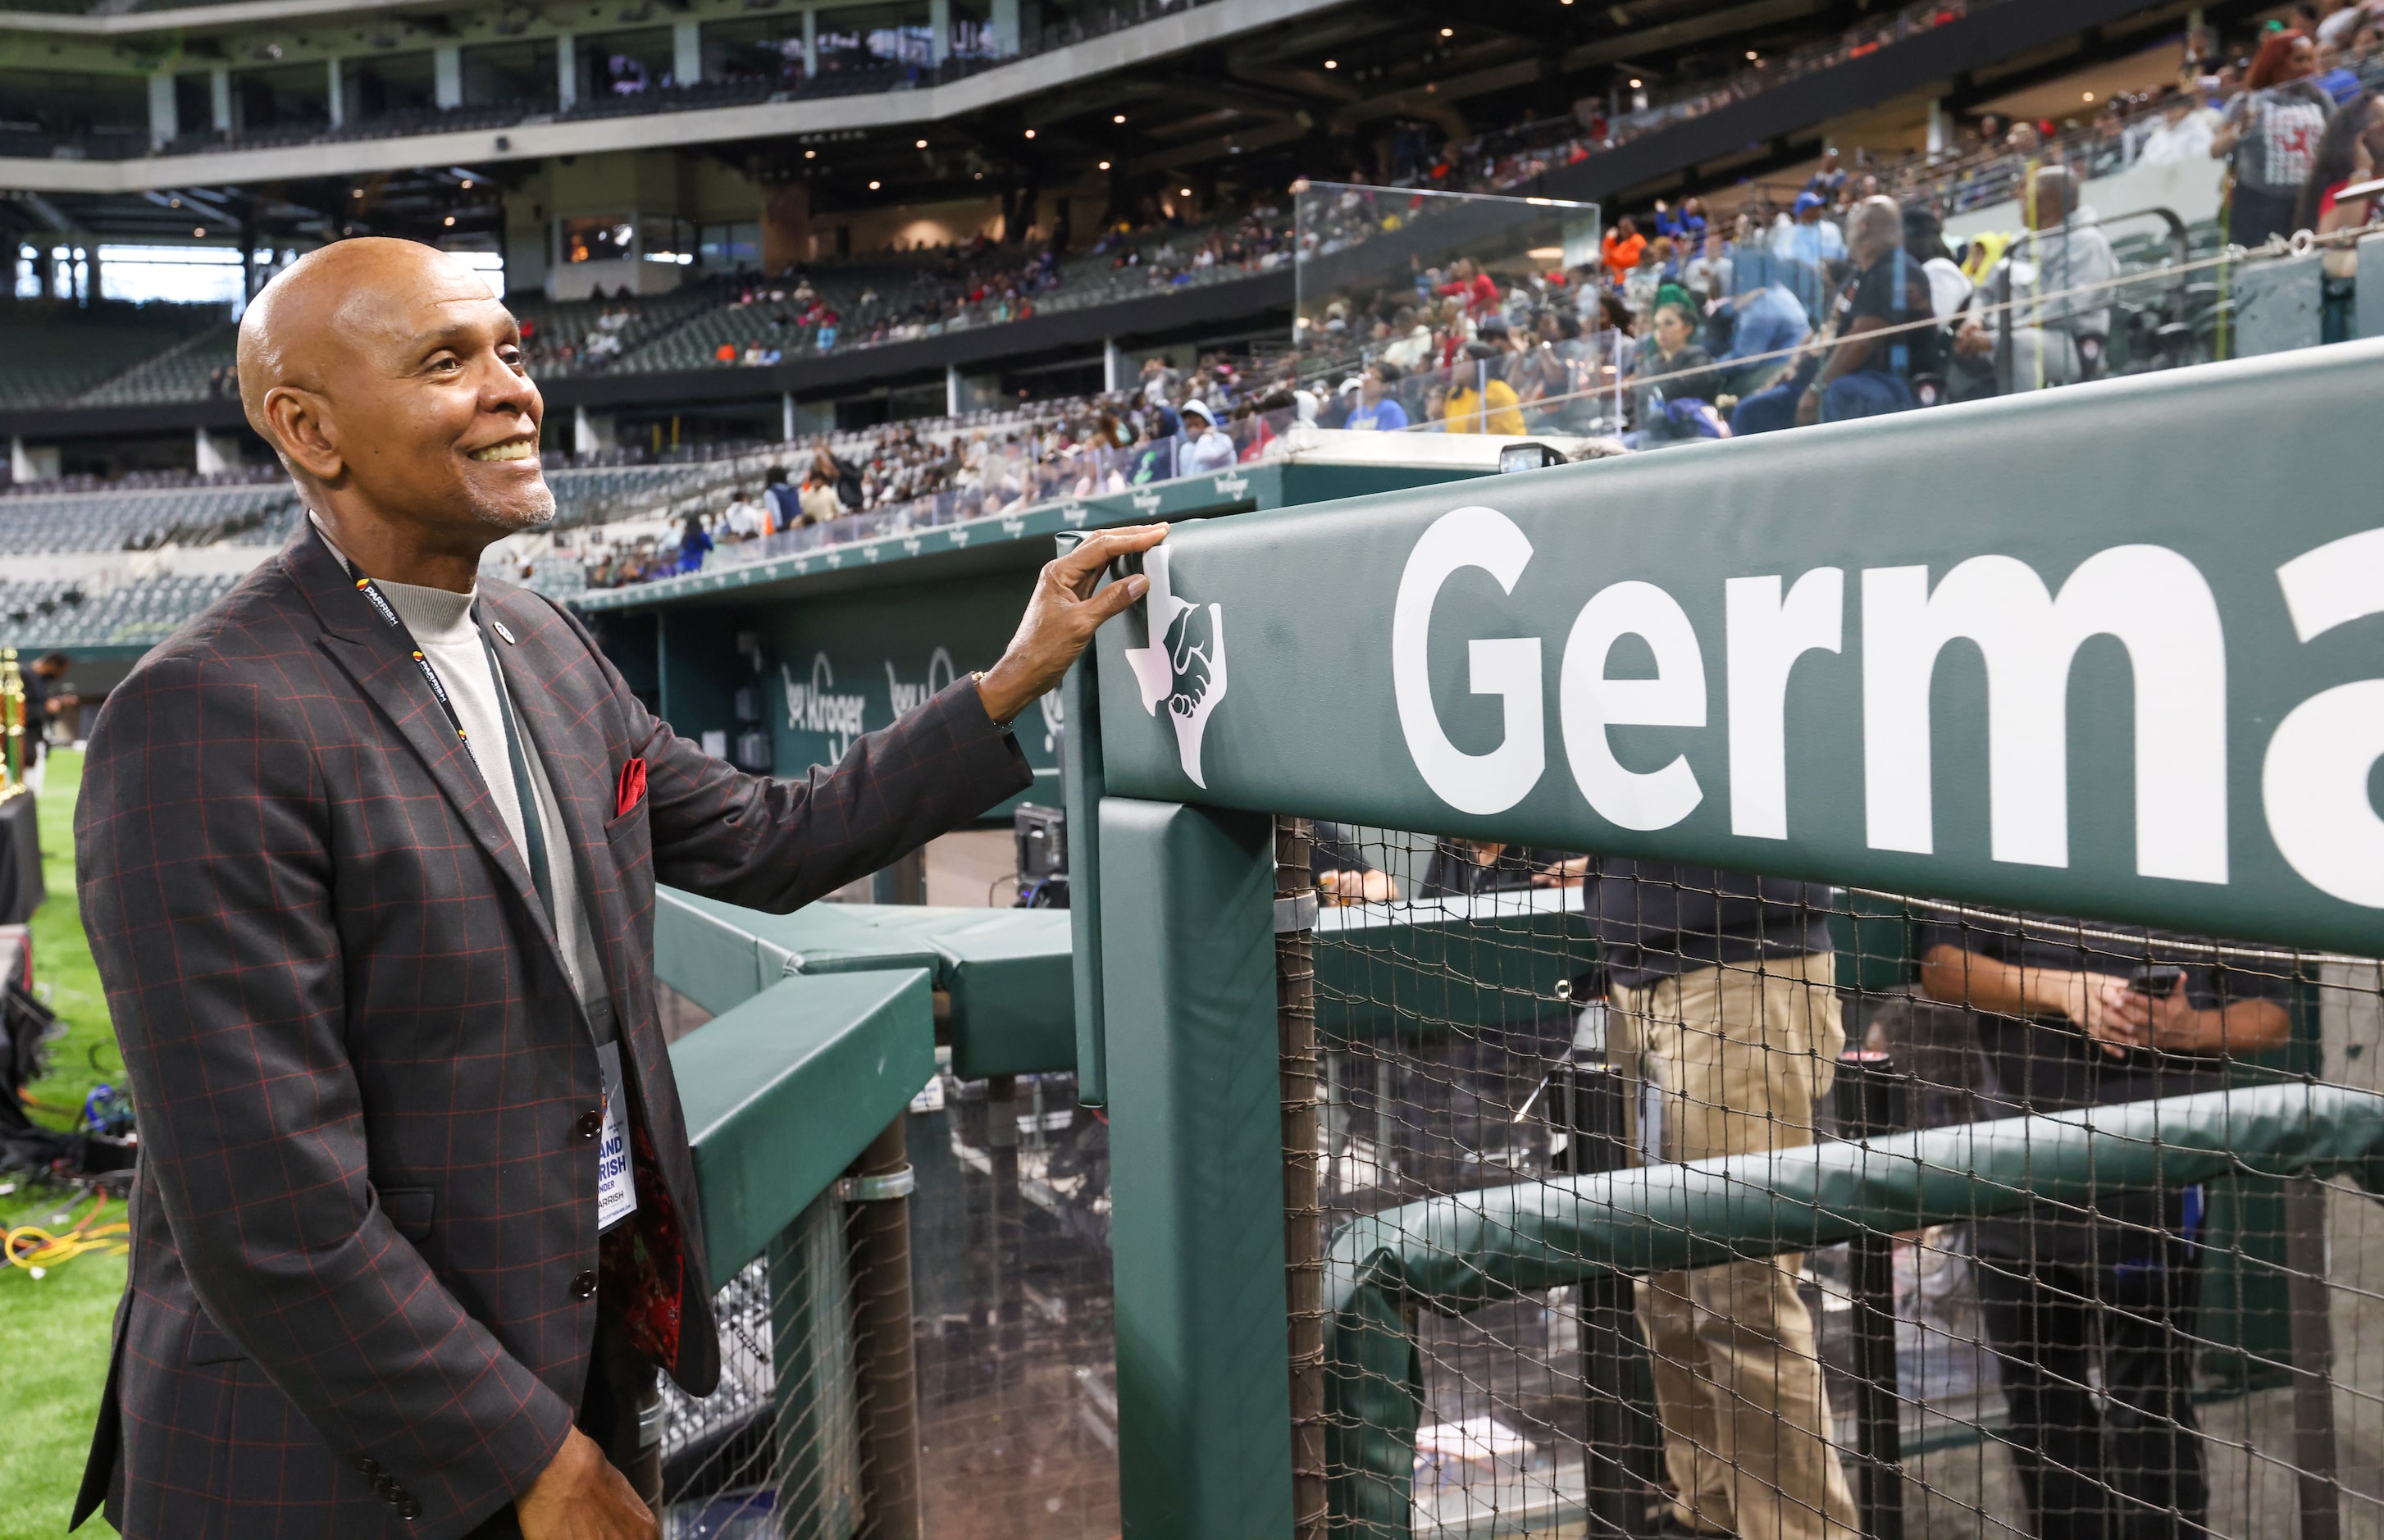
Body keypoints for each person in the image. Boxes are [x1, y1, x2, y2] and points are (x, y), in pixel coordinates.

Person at [67, 235, 1171, 1540]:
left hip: (562, 1352)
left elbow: (776, 838)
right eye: (446, 361)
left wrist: (1008, 682)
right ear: (310, 429)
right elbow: (272, 1212)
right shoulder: (201, 715)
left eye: (510, 354)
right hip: (328, 1452)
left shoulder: (541, 640)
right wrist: (530, 1455)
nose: (513, 389)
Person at [1914, 914, 2291, 1540]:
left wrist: (2191, 1027)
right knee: (2039, 1406)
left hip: (2157, 1170)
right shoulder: (1993, 828)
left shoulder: (2214, 838)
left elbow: (2272, 1014)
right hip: (2017, 1159)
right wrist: (2061, 990)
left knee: (2147, 1401)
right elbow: (1940, 968)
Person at [1560, 851, 1860, 1540]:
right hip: (1641, 986)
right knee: (1664, 1286)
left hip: (1739, 980)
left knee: (1741, 1294)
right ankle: (1711, 1518)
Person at [1953, 168, 2117, 393]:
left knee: (2020, 345)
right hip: (2001, 335)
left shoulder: (2086, 241)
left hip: (2070, 343)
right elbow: (1986, 290)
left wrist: (1999, 337)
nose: (2020, 205)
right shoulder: (2020, 243)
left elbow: (2066, 306)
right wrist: (1974, 320)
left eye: (2026, 199)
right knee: (1955, 349)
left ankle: (2023, 423)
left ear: (2046, 203)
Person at [1795, 195, 1939, 426]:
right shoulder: (1859, 276)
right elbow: (1827, 329)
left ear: (1862, 227)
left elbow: (1862, 342)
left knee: (1843, 393)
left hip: (1896, 386)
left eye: (1850, 221)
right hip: (1850, 380)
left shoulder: (1895, 270)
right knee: (1762, 408)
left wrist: (1816, 389)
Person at [2213, 30, 2333, 246]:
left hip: (2308, 201)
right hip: (2259, 201)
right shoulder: (2247, 101)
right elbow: (2215, 150)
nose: (2307, 66)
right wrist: (2239, 130)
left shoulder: (2320, 100)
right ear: (2277, 62)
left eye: (2310, 59)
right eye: (2299, 60)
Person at [1443, 344, 1528, 435]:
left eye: (1461, 359)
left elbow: (1509, 432)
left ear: (1479, 363)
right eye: (1455, 359)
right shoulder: (1454, 394)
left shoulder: (1498, 391)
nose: (1455, 364)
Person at [2134, 88, 2217, 166]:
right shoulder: (2159, 136)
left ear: (2187, 108)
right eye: (2166, 109)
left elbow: (2200, 162)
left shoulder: (2199, 130)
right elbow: (2142, 164)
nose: (2169, 113)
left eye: (2173, 108)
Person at [1177, 398, 1237, 472]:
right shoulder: (1186, 449)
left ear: (1208, 423)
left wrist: (1207, 435)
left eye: (1197, 424)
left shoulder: (1222, 440)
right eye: (1189, 426)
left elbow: (1202, 456)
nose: (1193, 429)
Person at [1343, 364, 1410, 431]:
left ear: (1385, 386)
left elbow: (1396, 438)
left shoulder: (1391, 410)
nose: (1365, 381)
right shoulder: (1355, 415)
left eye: (1372, 376)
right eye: (1364, 376)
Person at [1602, 215, 1648, 284]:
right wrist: (1609, 240)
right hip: (1620, 281)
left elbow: (1634, 260)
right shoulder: (1625, 243)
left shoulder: (1638, 240)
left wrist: (1612, 255)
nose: (1622, 231)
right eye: (1621, 228)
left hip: (1632, 280)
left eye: (1625, 227)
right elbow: (1608, 260)